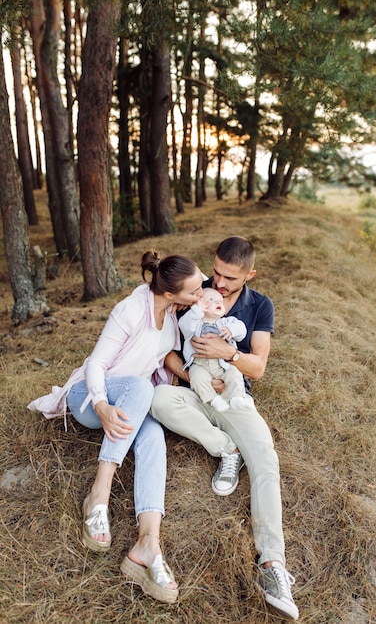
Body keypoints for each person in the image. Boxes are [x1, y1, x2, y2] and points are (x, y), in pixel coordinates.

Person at [28, 251, 204, 605]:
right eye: (196, 291)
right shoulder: (130, 309)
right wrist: (102, 404)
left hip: (131, 404)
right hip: (91, 397)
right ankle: (99, 492)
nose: (200, 295)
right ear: (170, 294)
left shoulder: (171, 315)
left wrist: (191, 377)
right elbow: (97, 363)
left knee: (153, 436)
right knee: (141, 387)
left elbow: (166, 355)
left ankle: (147, 546)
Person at [151, 236, 299, 620]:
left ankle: (272, 565)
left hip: (234, 397)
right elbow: (164, 347)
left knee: (266, 459)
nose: (218, 283)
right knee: (159, 400)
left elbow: (259, 367)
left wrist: (229, 355)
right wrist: (189, 375)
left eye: (229, 278)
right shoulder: (194, 293)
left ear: (249, 274)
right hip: (194, 389)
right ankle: (225, 449)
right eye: (215, 272)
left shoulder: (259, 305)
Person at [179, 287, 253, 413]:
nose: (218, 302)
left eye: (220, 300)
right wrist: (196, 311)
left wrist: (232, 330)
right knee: (196, 378)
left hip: (222, 364)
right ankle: (212, 399)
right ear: (199, 304)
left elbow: (242, 329)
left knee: (234, 374)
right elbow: (184, 325)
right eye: (211, 299)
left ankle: (237, 398)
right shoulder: (194, 323)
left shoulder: (226, 322)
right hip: (199, 364)